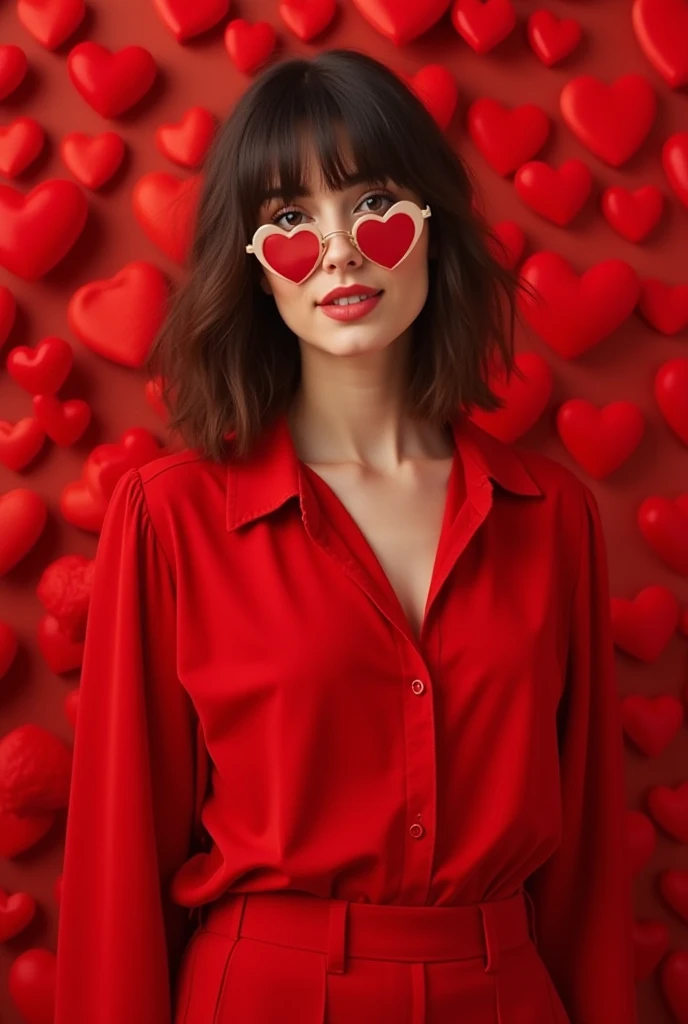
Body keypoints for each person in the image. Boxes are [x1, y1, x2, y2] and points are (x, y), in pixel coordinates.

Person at [54, 48, 637, 1024]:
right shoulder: (171, 519)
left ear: (431, 229)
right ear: (248, 264)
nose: (339, 251)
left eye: (373, 204)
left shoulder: (554, 514)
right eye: (288, 221)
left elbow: (586, 873)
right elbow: (118, 866)